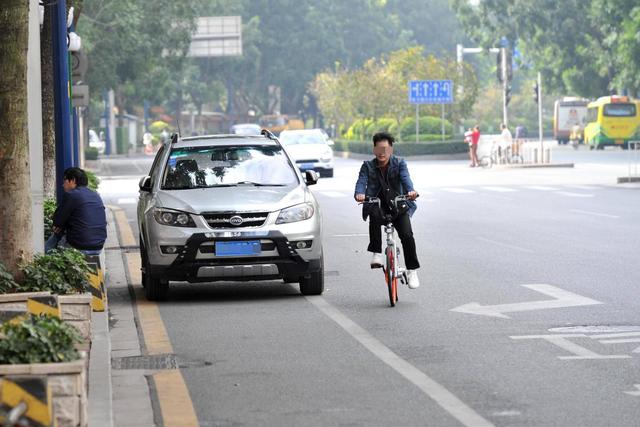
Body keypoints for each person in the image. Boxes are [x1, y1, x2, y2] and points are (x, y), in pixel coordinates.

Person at [354, 132, 420, 289]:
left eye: (385, 149)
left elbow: (406, 179)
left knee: (407, 236)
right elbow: (361, 181)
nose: (382, 153)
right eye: (379, 148)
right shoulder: (368, 166)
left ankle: (412, 270)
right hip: (378, 205)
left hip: (398, 206)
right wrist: (359, 193)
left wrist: (411, 191)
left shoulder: (399, 164)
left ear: (391, 149)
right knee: (374, 214)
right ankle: (376, 253)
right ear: (374, 150)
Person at [45, 168, 107, 255]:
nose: (63, 184)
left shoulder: (71, 195)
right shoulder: (95, 195)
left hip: (79, 246)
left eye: (65, 180)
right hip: (98, 246)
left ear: (73, 180)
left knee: (52, 241)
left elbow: (57, 221)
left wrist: (62, 225)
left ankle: (43, 261)